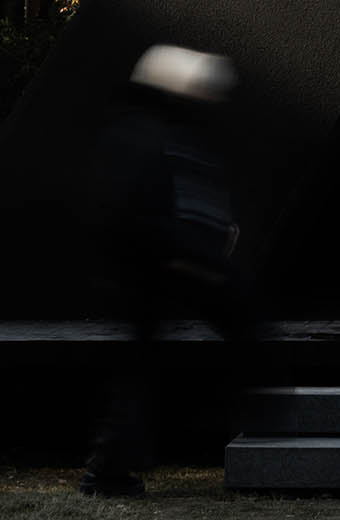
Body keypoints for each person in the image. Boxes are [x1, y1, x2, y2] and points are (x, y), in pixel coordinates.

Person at [80, 44, 245, 497]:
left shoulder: (150, 132)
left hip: (156, 266)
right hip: (156, 267)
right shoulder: (156, 136)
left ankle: (111, 469)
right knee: (141, 368)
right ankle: (108, 470)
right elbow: (135, 209)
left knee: (141, 366)